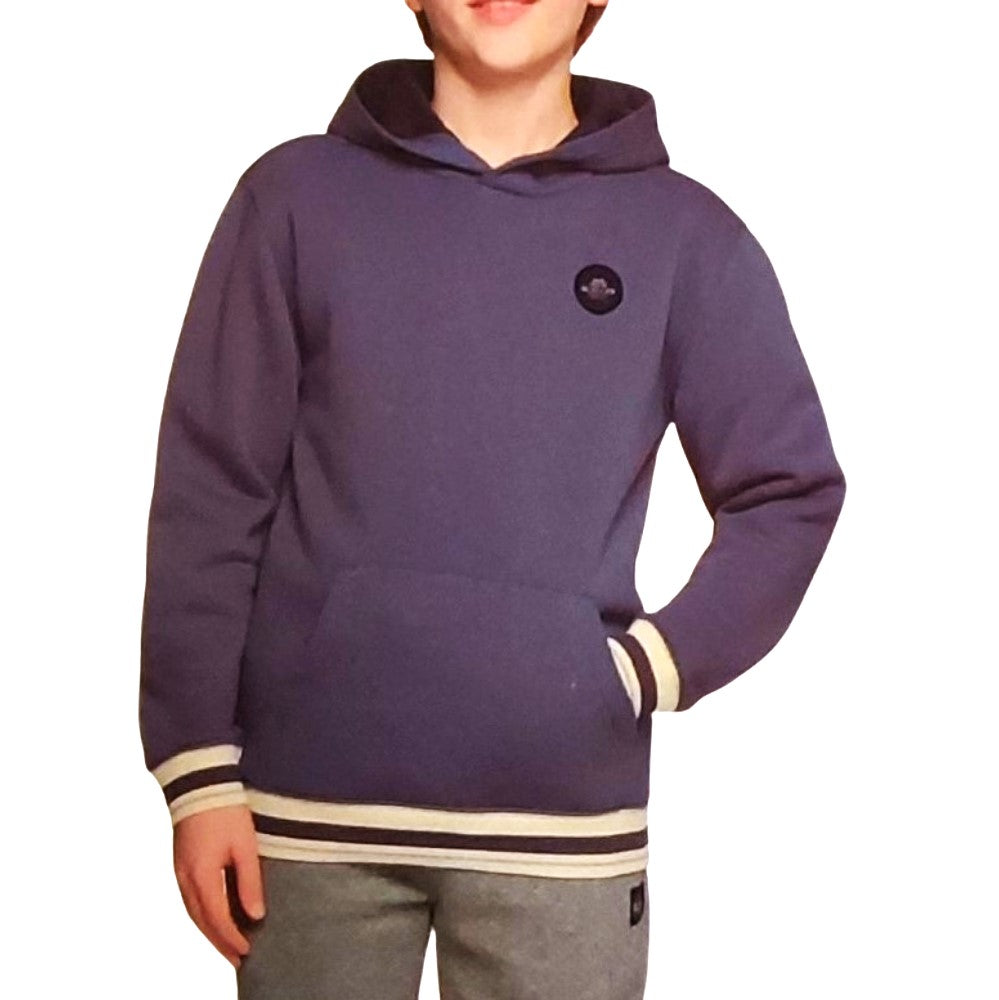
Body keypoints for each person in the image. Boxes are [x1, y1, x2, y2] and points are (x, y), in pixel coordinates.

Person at [138, 1, 847, 997]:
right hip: (304, 816)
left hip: (563, 824)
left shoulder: (684, 236)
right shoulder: (293, 200)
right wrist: (196, 768)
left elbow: (789, 489)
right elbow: (212, 488)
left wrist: (650, 667)